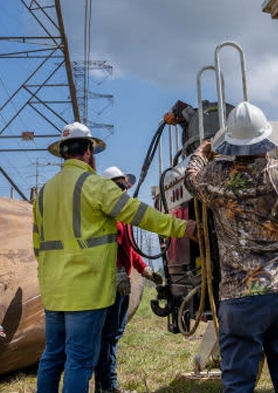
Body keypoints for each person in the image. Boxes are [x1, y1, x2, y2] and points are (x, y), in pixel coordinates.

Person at [32, 122, 197, 393]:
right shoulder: (95, 186)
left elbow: (38, 246)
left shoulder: (44, 193)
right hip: (86, 291)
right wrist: (182, 227)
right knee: (79, 359)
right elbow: (139, 213)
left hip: (53, 290)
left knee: (52, 355)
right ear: (88, 150)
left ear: (63, 153)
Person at [184, 101, 278, 393]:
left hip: (240, 297)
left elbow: (191, 180)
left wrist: (199, 155)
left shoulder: (215, 175)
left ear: (231, 144)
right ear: (267, 140)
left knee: (238, 383)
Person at [94, 165, 163, 393]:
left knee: (114, 332)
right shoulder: (104, 215)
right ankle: (107, 385)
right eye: (122, 186)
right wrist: (114, 272)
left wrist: (145, 270)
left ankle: (106, 384)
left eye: (126, 186)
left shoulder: (121, 216)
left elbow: (129, 249)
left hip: (121, 281)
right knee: (108, 334)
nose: (126, 190)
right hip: (109, 282)